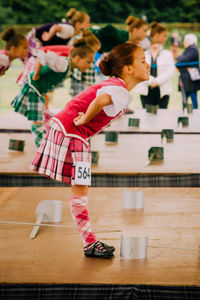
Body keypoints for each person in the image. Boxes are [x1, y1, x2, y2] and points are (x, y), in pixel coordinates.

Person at [30, 42, 150, 258]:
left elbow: (102, 99)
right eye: (142, 60)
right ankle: (89, 243)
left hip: (67, 129)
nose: (148, 65)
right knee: (81, 188)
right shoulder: (120, 90)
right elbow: (101, 99)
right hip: (73, 133)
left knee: (80, 188)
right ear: (128, 68)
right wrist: (85, 118)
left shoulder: (116, 85)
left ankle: (89, 242)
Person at [11, 38, 95, 148]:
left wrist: (45, 93)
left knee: (44, 115)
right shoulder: (63, 63)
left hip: (39, 90)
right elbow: (43, 55)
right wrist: (36, 73)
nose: (89, 66)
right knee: (37, 120)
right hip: (33, 87)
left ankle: (49, 141)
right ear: (78, 58)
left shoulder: (69, 68)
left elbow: (50, 78)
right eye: (88, 62)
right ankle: (41, 148)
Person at [16, 8, 90, 86]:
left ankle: (30, 81)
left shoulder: (71, 34)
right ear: (78, 24)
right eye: (87, 23)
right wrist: (48, 36)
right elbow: (55, 27)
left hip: (38, 41)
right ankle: (29, 82)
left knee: (39, 62)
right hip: (35, 39)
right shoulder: (70, 29)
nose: (88, 25)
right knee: (36, 62)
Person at [135, 22, 175, 109]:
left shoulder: (167, 54)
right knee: (147, 115)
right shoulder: (143, 54)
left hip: (163, 90)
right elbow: (139, 70)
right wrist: (151, 81)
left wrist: (157, 81)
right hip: (146, 89)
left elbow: (170, 71)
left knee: (162, 115)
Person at [69, 29, 101, 97]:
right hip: (79, 81)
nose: (95, 53)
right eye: (94, 51)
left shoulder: (90, 60)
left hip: (87, 83)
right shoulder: (83, 60)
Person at [176, 33, 200, 109]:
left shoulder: (193, 49)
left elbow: (181, 60)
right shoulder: (188, 50)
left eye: (185, 41)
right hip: (186, 79)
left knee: (193, 99)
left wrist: (179, 62)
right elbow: (179, 60)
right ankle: (185, 114)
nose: (184, 42)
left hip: (191, 80)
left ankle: (195, 115)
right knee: (184, 99)